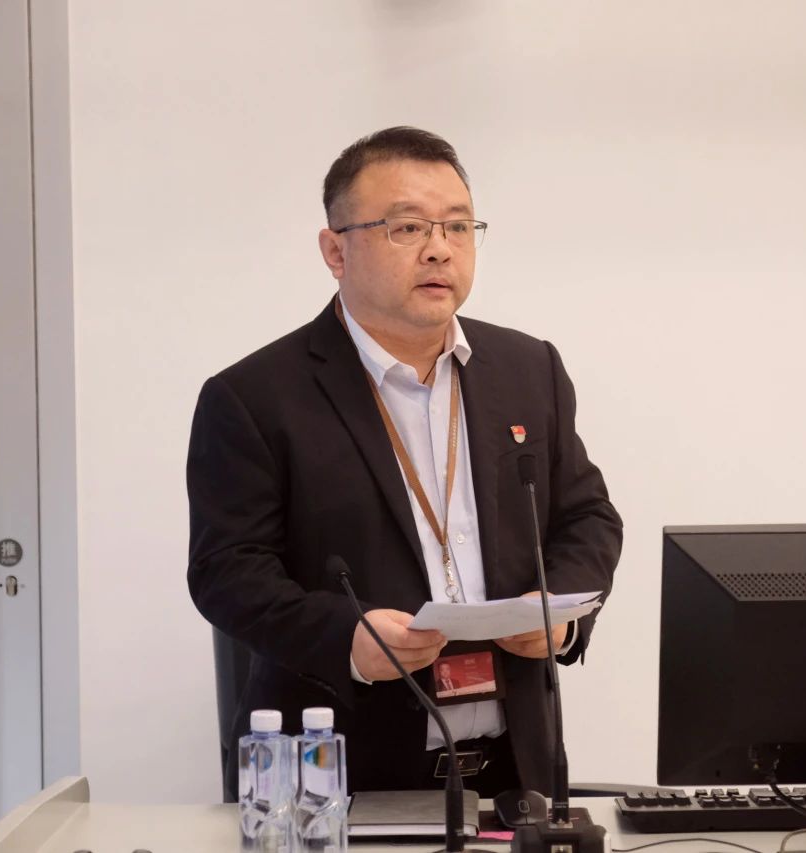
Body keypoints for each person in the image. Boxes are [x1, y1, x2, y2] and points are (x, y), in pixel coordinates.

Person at [187, 126, 622, 800]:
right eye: (407, 227)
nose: (439, 248)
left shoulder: (528, 368)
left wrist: (559, 616)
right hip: (341, 776)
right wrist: (347, 638)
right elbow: (226, 571)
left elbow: (588, 516)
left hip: (516, 773)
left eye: (459, 226)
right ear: (336, 250)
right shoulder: (254, 397)